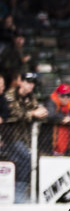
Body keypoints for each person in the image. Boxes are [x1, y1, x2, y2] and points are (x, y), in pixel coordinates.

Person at [1, 72, 47, 202]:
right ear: (20, 82)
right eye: (28, 82)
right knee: (27, 160)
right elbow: (12, 114)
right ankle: (19, 195)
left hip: (26, 139)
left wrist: (42, 113)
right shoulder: (9, 95)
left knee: (33, 162)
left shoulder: (31, 98)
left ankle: (26, 194)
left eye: (32, 83)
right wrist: (32, 114)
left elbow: (38, 112)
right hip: (10, 138)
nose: (30, 85)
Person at [46, 83, 70, 155]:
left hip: (66, 145)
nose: (66, 98)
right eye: (63, 95)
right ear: (58, 95)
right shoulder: (51, 101)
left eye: (68, 95)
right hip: (49, 145)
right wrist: (64, 117)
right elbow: (50, 115)